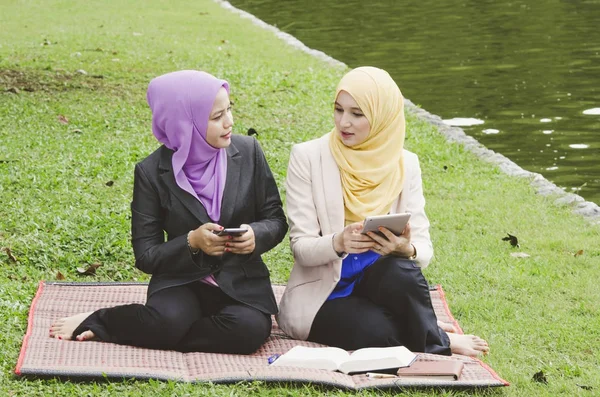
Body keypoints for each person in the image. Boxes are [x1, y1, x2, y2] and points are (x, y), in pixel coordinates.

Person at [49, 70, 288, 354]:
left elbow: (275, 218)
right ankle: (107, 320)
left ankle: (157, 333)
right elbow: (146, 255)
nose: (229, 122)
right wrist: (192, 242)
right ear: (184, 124)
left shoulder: (248, 152)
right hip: (180, 280)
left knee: (247, 331)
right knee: (167, 321)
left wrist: (255, 234)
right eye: (216, 117)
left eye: (229, 110)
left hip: (240, 282)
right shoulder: (151, 172)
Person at [277, 66, 489, 357]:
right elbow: (301, 248)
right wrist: (338, 242)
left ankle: (430, 333)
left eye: (357, 114)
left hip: (380, 281)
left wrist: (405, 248)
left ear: (382, 117)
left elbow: (423, 249)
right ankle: (435, 335)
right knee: (380, 334)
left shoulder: (405, 164)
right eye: (339, 110)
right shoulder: (308, 157)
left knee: (403, 270)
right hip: (325, 293)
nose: (344, 122)